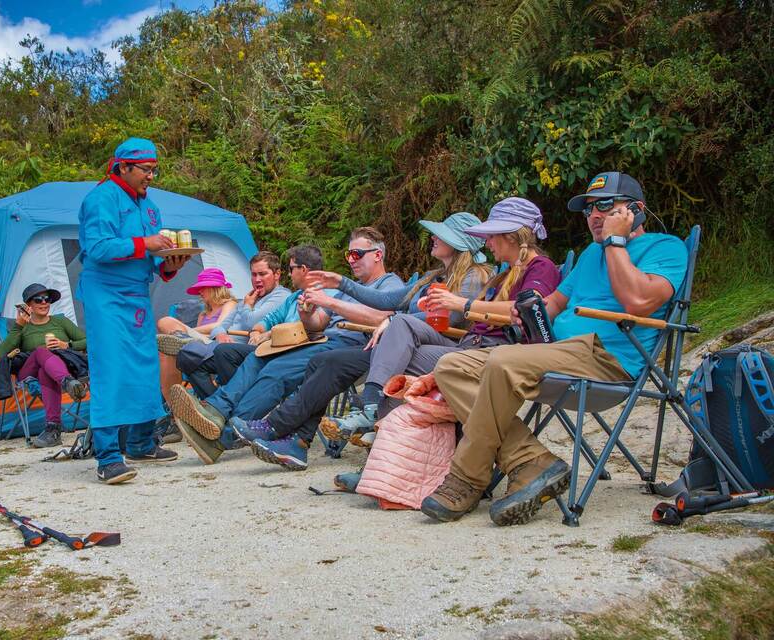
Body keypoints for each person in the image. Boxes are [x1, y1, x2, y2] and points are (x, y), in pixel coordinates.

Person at [419, 171, 688, 526]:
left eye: (606, 205)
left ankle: (467, 478)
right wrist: (523, 310)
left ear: (635, 210)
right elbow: (554, 304)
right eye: (590, 208)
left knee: (502, 361)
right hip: (558, 350)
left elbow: (637, 300)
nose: (595, 215)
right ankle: (530, 461)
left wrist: (615, 244)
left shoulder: (665, 247)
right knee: (452, 366)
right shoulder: (593, 254)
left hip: (607, 358)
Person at [229, 211, 493, 469]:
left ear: (458, 243)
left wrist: (393, 322)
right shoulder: (432, 277)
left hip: (436, 350)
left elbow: (454, 319)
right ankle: (297, 441)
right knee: (324, 360)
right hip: (399, 347)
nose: (433, 237)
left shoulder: (475, 276)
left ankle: (283, 424)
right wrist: (341, 282)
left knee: (333, 360)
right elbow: (389, 302)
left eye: (440, 235)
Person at [322, 197, 560, 445]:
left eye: (491, 235)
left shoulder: (539, 267)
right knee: (396, 353)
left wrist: (460, 304)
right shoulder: (501, 276)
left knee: (394, 347)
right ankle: (373, 421)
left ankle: (376, 432)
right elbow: (391, 302)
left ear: (510, 236)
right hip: (467, 347)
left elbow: (527, 311)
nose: (487, 242)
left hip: (489, 353)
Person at [168, 229, 403, 464]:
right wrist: (306, 312)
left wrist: (329, 301)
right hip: (323, 341)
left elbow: (381, 316)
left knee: (276, 370)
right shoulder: (347, 289)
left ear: (377, 255)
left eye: (357, 254)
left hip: (355, 348)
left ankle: (224, 436)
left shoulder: (389, 283)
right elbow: (318, 324)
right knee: (259, 356)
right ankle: (217, 411)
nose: (351, 260)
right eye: (349, 255)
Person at [77, 137, 190, 484]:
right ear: (123, 167)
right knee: (111, 368)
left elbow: (154, 262)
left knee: (144, 365)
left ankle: (141, 442)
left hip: (137, 293)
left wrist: (172, 264)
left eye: (154, 170)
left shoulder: (151, 207)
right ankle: (108, 456)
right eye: (145, 170)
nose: (150, 177)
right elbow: (97, 247)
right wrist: (146, 244)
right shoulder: (101, 199)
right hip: (105, 294)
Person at [174, 252, 290, 399]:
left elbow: (253, 322)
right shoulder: (248, 298)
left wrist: (247, 305)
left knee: (213, 352)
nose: (257, 279)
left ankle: (220, 405)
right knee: (186, 358)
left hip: (252, 352)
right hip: (224, 348)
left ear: (277, 274)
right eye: (254, 275)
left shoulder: (281, 296)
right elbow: (220, 326)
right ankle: (212, 404)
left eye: (262, 274)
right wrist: (221, 334)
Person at [0, 283, 87, 448]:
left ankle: (53, 430)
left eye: (47, 299)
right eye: (38, 299)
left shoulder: (60, 321)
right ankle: (68, 382)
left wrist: (66, 345)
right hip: (29, 374)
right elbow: (1, 353)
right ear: (28, 305)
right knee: (40, 351)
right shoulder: (22, 328)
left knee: (46, 372)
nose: (44, 303)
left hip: (55, 371)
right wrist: (18, 326)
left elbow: (88, 341)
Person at [155, 268, 237, 410]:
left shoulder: (230, 304)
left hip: (216, 346)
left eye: (202, 288)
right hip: (199, 346)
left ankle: (181, 337)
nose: (199, 292)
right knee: (165, 351)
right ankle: (173, 406)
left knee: (165, 321)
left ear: (214, 287)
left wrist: (189, 330)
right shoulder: (203, 314)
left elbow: (220, 326)